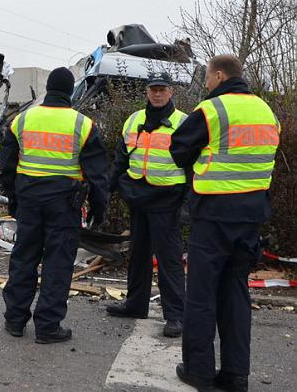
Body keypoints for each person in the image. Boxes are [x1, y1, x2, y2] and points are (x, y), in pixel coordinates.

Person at [170, 55, 279, 392]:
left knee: (201, 294)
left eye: (206, 78)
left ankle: (199, 371)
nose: (205, 84)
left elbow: (178, 149)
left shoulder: (213, 110)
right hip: (251, 217)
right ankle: (236, 375)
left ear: (219, 75)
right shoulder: (266, 110)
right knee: (236, 292)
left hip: (214, 215)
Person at [0, 67, 109, 344]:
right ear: (70, 91)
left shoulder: (22, 120)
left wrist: (15, 199)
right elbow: (98, 176)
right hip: (63, 203)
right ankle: (48, 327)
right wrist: (98, 208)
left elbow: (7, 168)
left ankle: (15, 320)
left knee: (24, 258)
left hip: (29, 200)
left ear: (48, 88)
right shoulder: (83, 125)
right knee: (57, 263)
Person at [106, 73, 188, 338]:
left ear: (171, 92)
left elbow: (193, 164)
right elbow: (121, 158)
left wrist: (189, 201)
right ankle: (135, 304)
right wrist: (105, 188)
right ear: (146, 92)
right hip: (139, 195)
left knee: (168, 259)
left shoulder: (182, 122)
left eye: (162, 89)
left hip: (167, 198)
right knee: (139, 254)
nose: (157, 94)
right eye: (153, 89)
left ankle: (175, 315)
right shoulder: (134, 120)